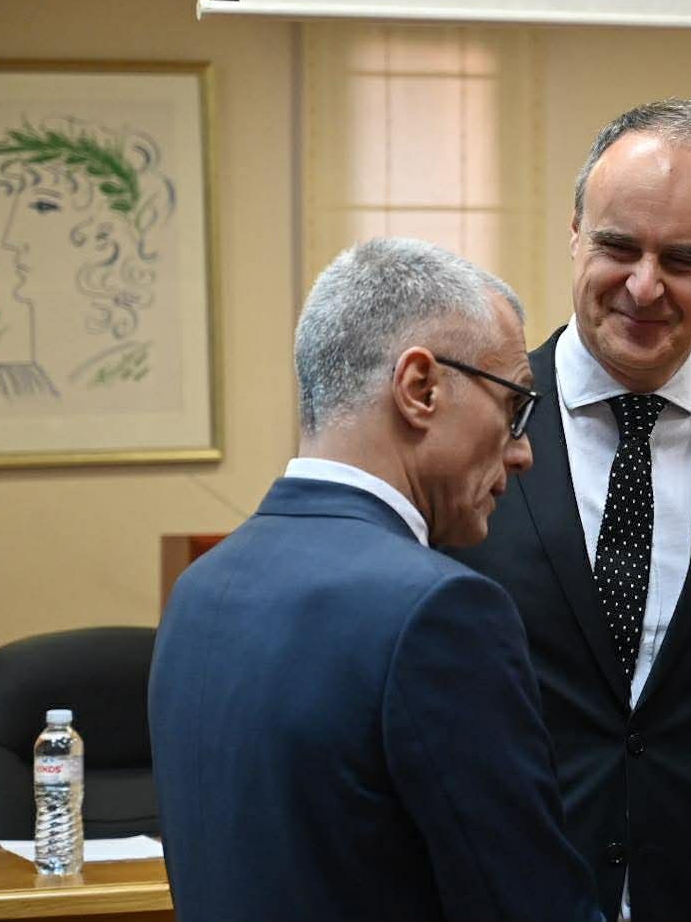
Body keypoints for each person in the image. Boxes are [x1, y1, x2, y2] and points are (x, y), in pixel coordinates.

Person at [449, 99, 691, 921]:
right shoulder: (468, 428)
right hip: (506, 892)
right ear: (574, 233)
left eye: (683, 258)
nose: (643, 285)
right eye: (619, 246)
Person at [149, 238, 600, 922]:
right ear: (421, 388)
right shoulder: (439, 612)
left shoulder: (200, 590)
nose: (523, 452)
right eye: (514, 409)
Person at [0, 115, 173, 401]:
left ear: (105, 238)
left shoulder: (130, 371)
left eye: (42, 207)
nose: (12, 238)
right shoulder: (8, 385)